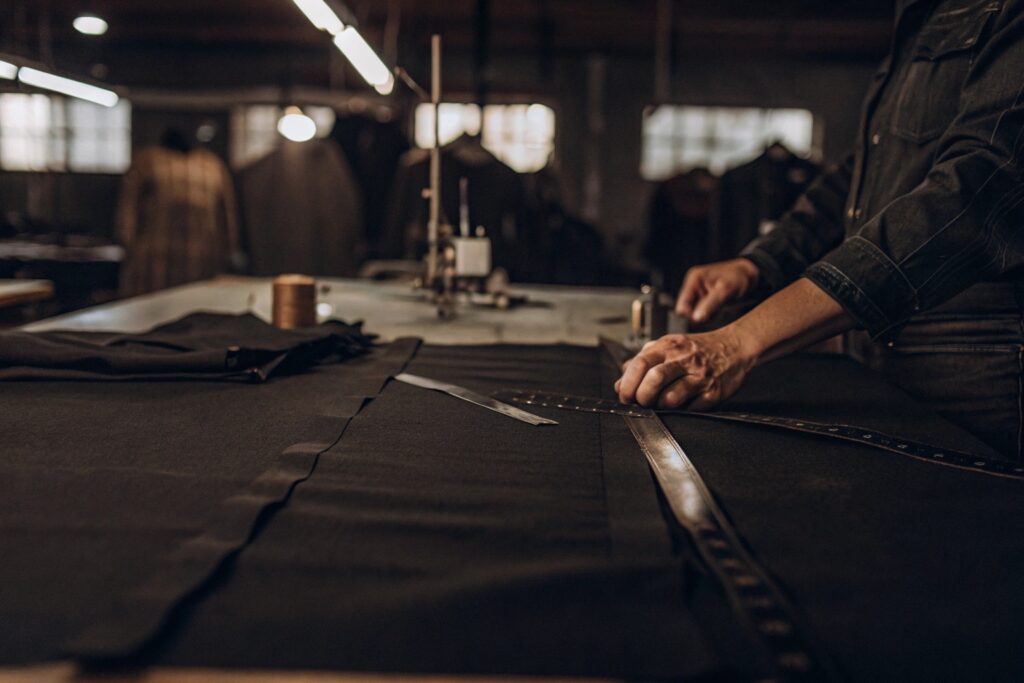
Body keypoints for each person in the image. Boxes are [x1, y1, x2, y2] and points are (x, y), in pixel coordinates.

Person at [616, 0, 1024, 461]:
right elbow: (861, 175)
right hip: (882, 357)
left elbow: (977, 191)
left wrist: (737, 341)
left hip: (978, 376)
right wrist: (759, 263)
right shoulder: (921, 16)